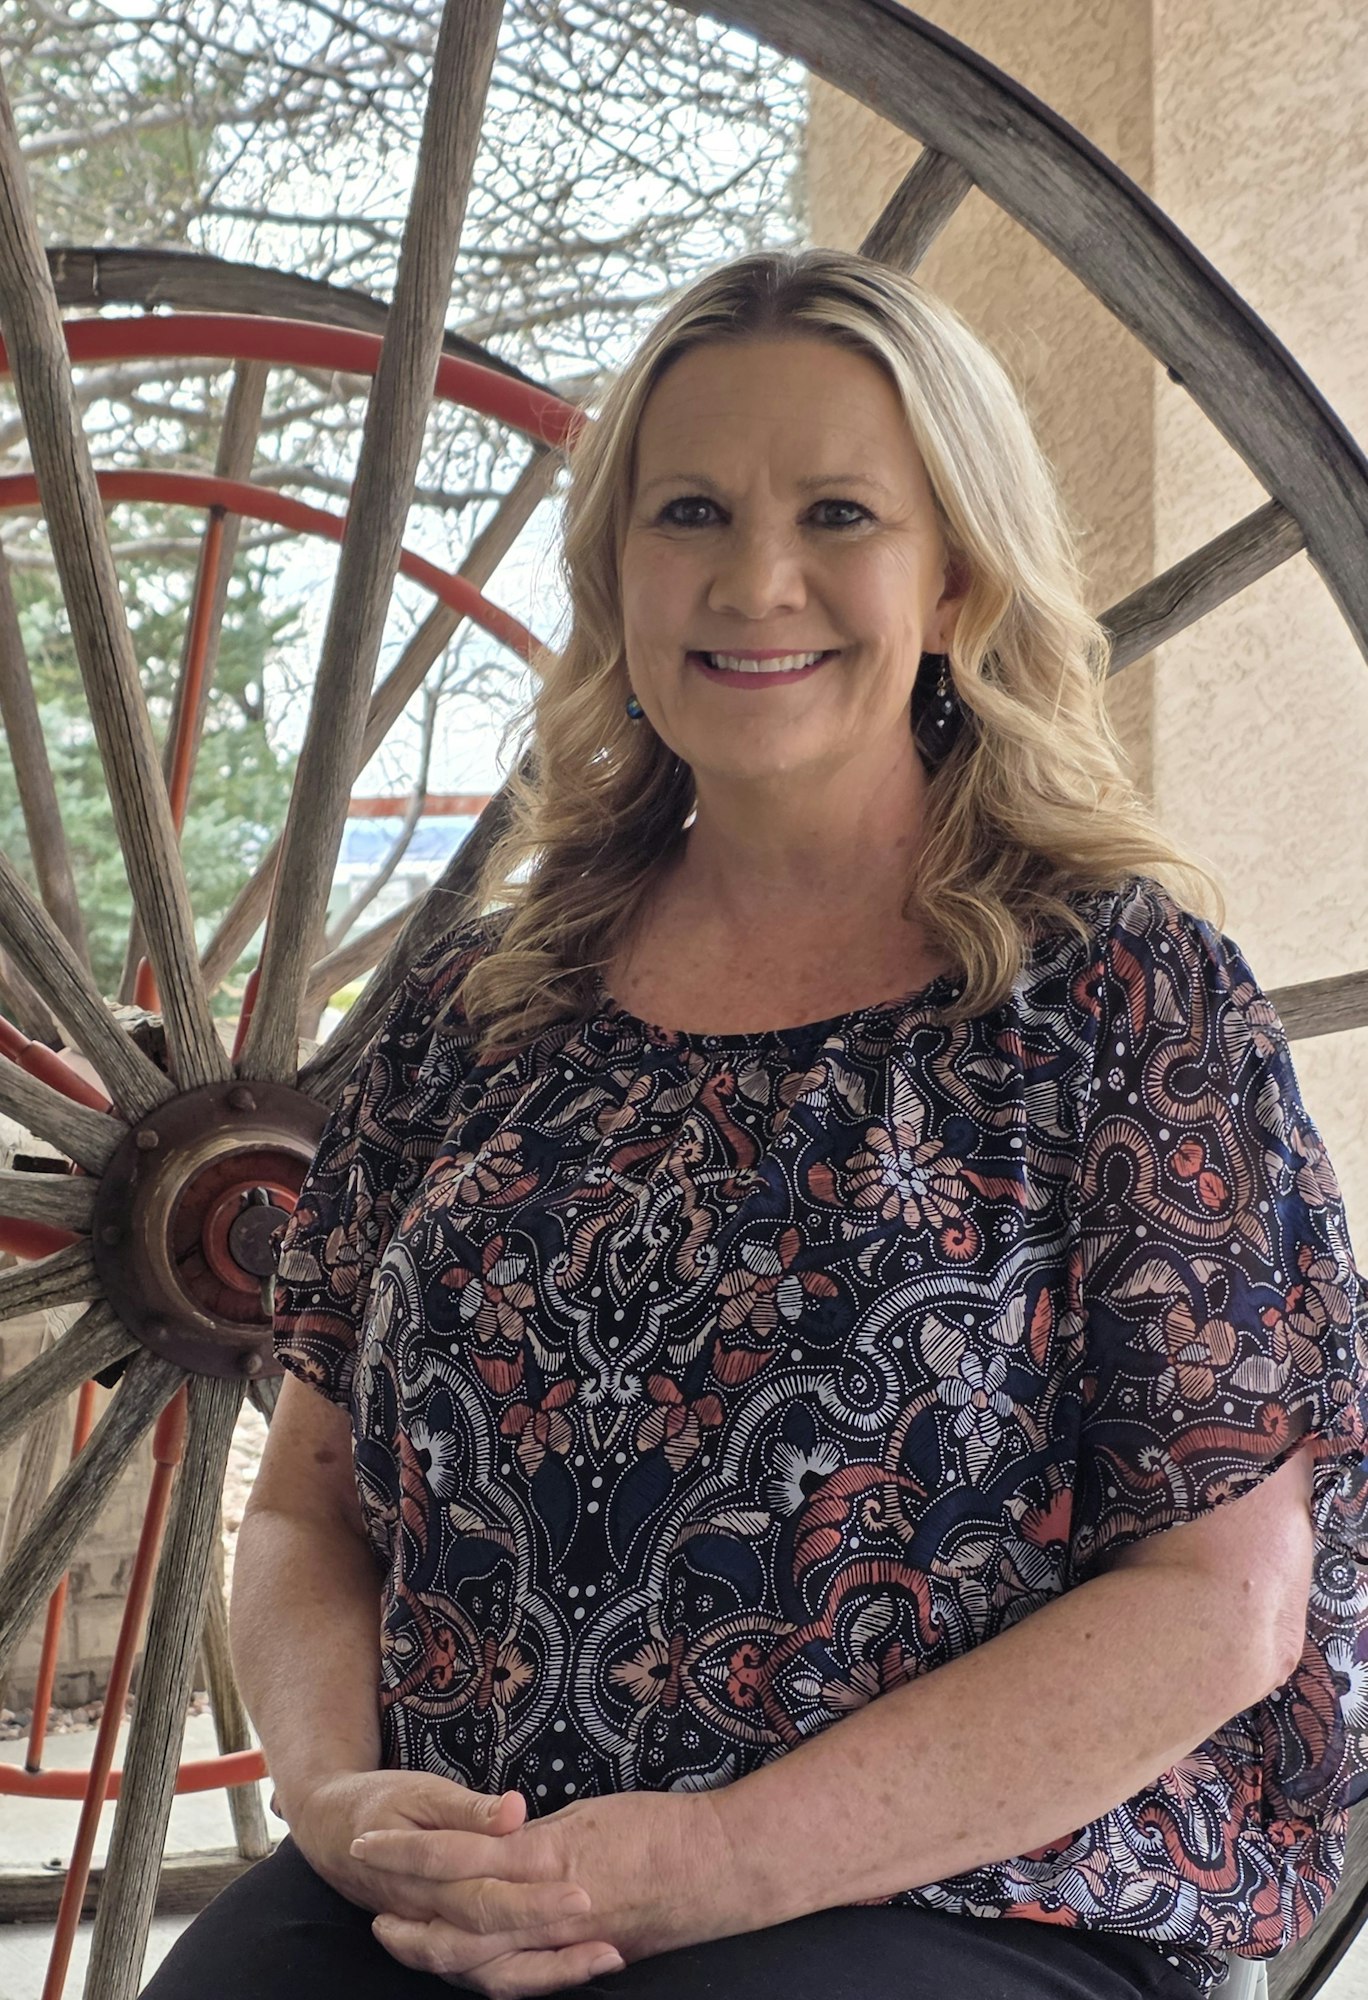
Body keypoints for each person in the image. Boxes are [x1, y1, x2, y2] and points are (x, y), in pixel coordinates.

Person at [143, 249, 1368, 2000]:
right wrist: (342, 1801)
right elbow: (305, 1521)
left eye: (841, 513)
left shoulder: (1120, 1005)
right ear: (619, 579)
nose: (755, 579)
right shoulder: (478, 1011)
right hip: (478, 1868)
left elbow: (1221, 1604)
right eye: (692, 511)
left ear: (955, 580)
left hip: (959, 1896)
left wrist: (715, 1864)